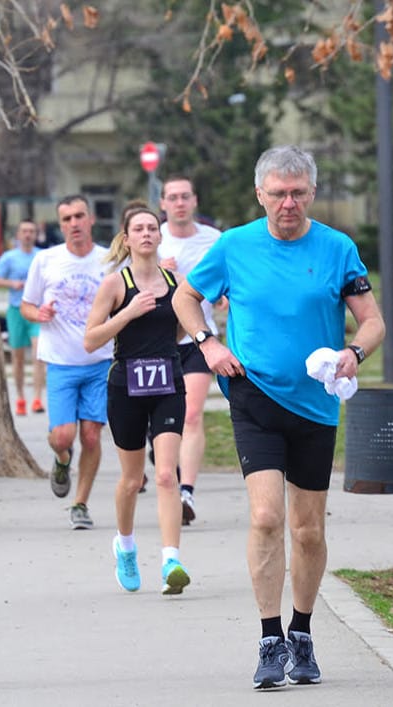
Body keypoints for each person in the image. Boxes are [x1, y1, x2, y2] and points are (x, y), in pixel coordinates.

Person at [172, 145, 384, 690]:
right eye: (277, 193)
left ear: (310, 193)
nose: (287, 203)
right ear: (259, 193)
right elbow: (186, 297)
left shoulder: (337, 248)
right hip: (254, 396)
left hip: (315, 402)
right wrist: (208, 345)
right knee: (266, 517)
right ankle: (270, 639)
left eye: (297, 193)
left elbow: (373, 322)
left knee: (308, 528)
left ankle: (303, 632)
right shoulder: (234, 246)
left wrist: (353, 353)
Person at [84, 207, 190, 596]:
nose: (146, 233)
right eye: (138, 229)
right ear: (127, 239)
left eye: (152, 228)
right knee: (132, 479)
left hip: (167, 384)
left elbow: (182, 329)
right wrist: (128, 313)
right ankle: (125, 546)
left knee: (165, 474)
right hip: (125, 386)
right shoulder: (115, 284)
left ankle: (170, 560)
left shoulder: (177, 282)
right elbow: (91, 339)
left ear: (160, 237)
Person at [21, 194, 112, 530]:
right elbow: (27, 305)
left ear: (90, 220)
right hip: (59, 362)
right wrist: (39, 313)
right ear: (60, 226)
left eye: (79, 216)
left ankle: (80, 503)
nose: (74, 224)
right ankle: (62, 461)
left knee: (90, 436)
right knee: (62, 437)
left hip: (99, 361)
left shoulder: (109, 260)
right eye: (67, 219)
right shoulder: (46, 261)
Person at [158, 175, 223, 524]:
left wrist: (223, 295)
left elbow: (226, 282)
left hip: (200, 337)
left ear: (195, 201)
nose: (180, 203)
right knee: (159, 419)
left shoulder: (215, 241)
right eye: (173, 197)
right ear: (163, 203)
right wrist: (157, 271)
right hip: (159, 341)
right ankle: (162, 466)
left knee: (192, 414)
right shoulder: (152, 239)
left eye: (185, 196)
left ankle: (187, 492)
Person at [0, 220, 46, 415]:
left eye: (32, 231)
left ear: (36, 234)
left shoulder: (42, 256)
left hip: (37, 310)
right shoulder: (9, 257)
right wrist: (11, 283)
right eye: (24, 231)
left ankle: (38, 398)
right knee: (18, 356)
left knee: (39, 353)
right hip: (16, 309)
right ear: (18, 234)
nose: (28, 234)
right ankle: (21, 397)